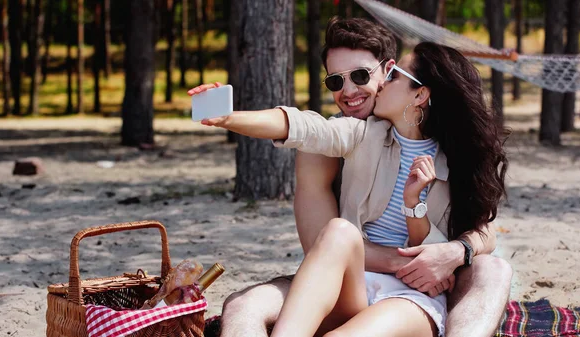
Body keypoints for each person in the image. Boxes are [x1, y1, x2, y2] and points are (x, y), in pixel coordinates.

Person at [191, 18, 513, 337]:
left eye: (365, 76)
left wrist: (450, 250)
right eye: (334, 82)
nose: (348, 91)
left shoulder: (456, 158)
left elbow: (482, 231)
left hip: (412, 297)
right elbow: (302, 125)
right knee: (325, 242)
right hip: (353, 283)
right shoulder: (360, 134)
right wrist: (230, 118)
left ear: (418, 94)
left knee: (494, 269)